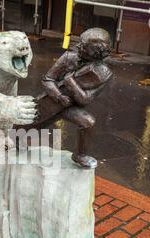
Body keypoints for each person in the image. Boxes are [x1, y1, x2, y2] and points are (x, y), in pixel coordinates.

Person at [37, 28, 113, 168]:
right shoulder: (68, 57)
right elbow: (47, 79)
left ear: (96, 52)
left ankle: (80, 155)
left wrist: (71, 82)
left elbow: (85, 100)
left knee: (88, 122)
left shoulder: (104, 74)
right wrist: (58, 95)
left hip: (71, 106)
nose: (78, 46)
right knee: (32, 123)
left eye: (83, 45)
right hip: (53, 100)